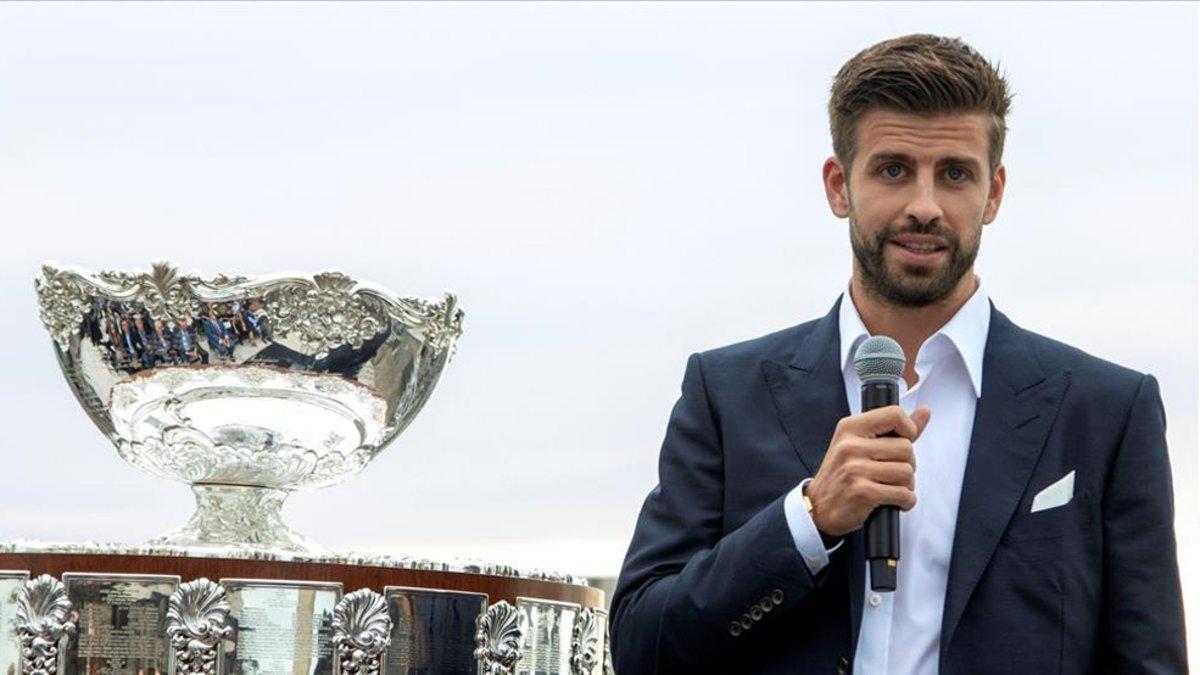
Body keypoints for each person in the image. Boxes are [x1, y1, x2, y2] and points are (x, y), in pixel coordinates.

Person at [610, 34, 1187, 674]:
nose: (924, 205)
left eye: (955, 174)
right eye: (893, 170)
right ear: (838, 186)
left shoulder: (1106, 412)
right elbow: (641, 646)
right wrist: (808, 520)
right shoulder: (725, 393)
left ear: (993, 193)